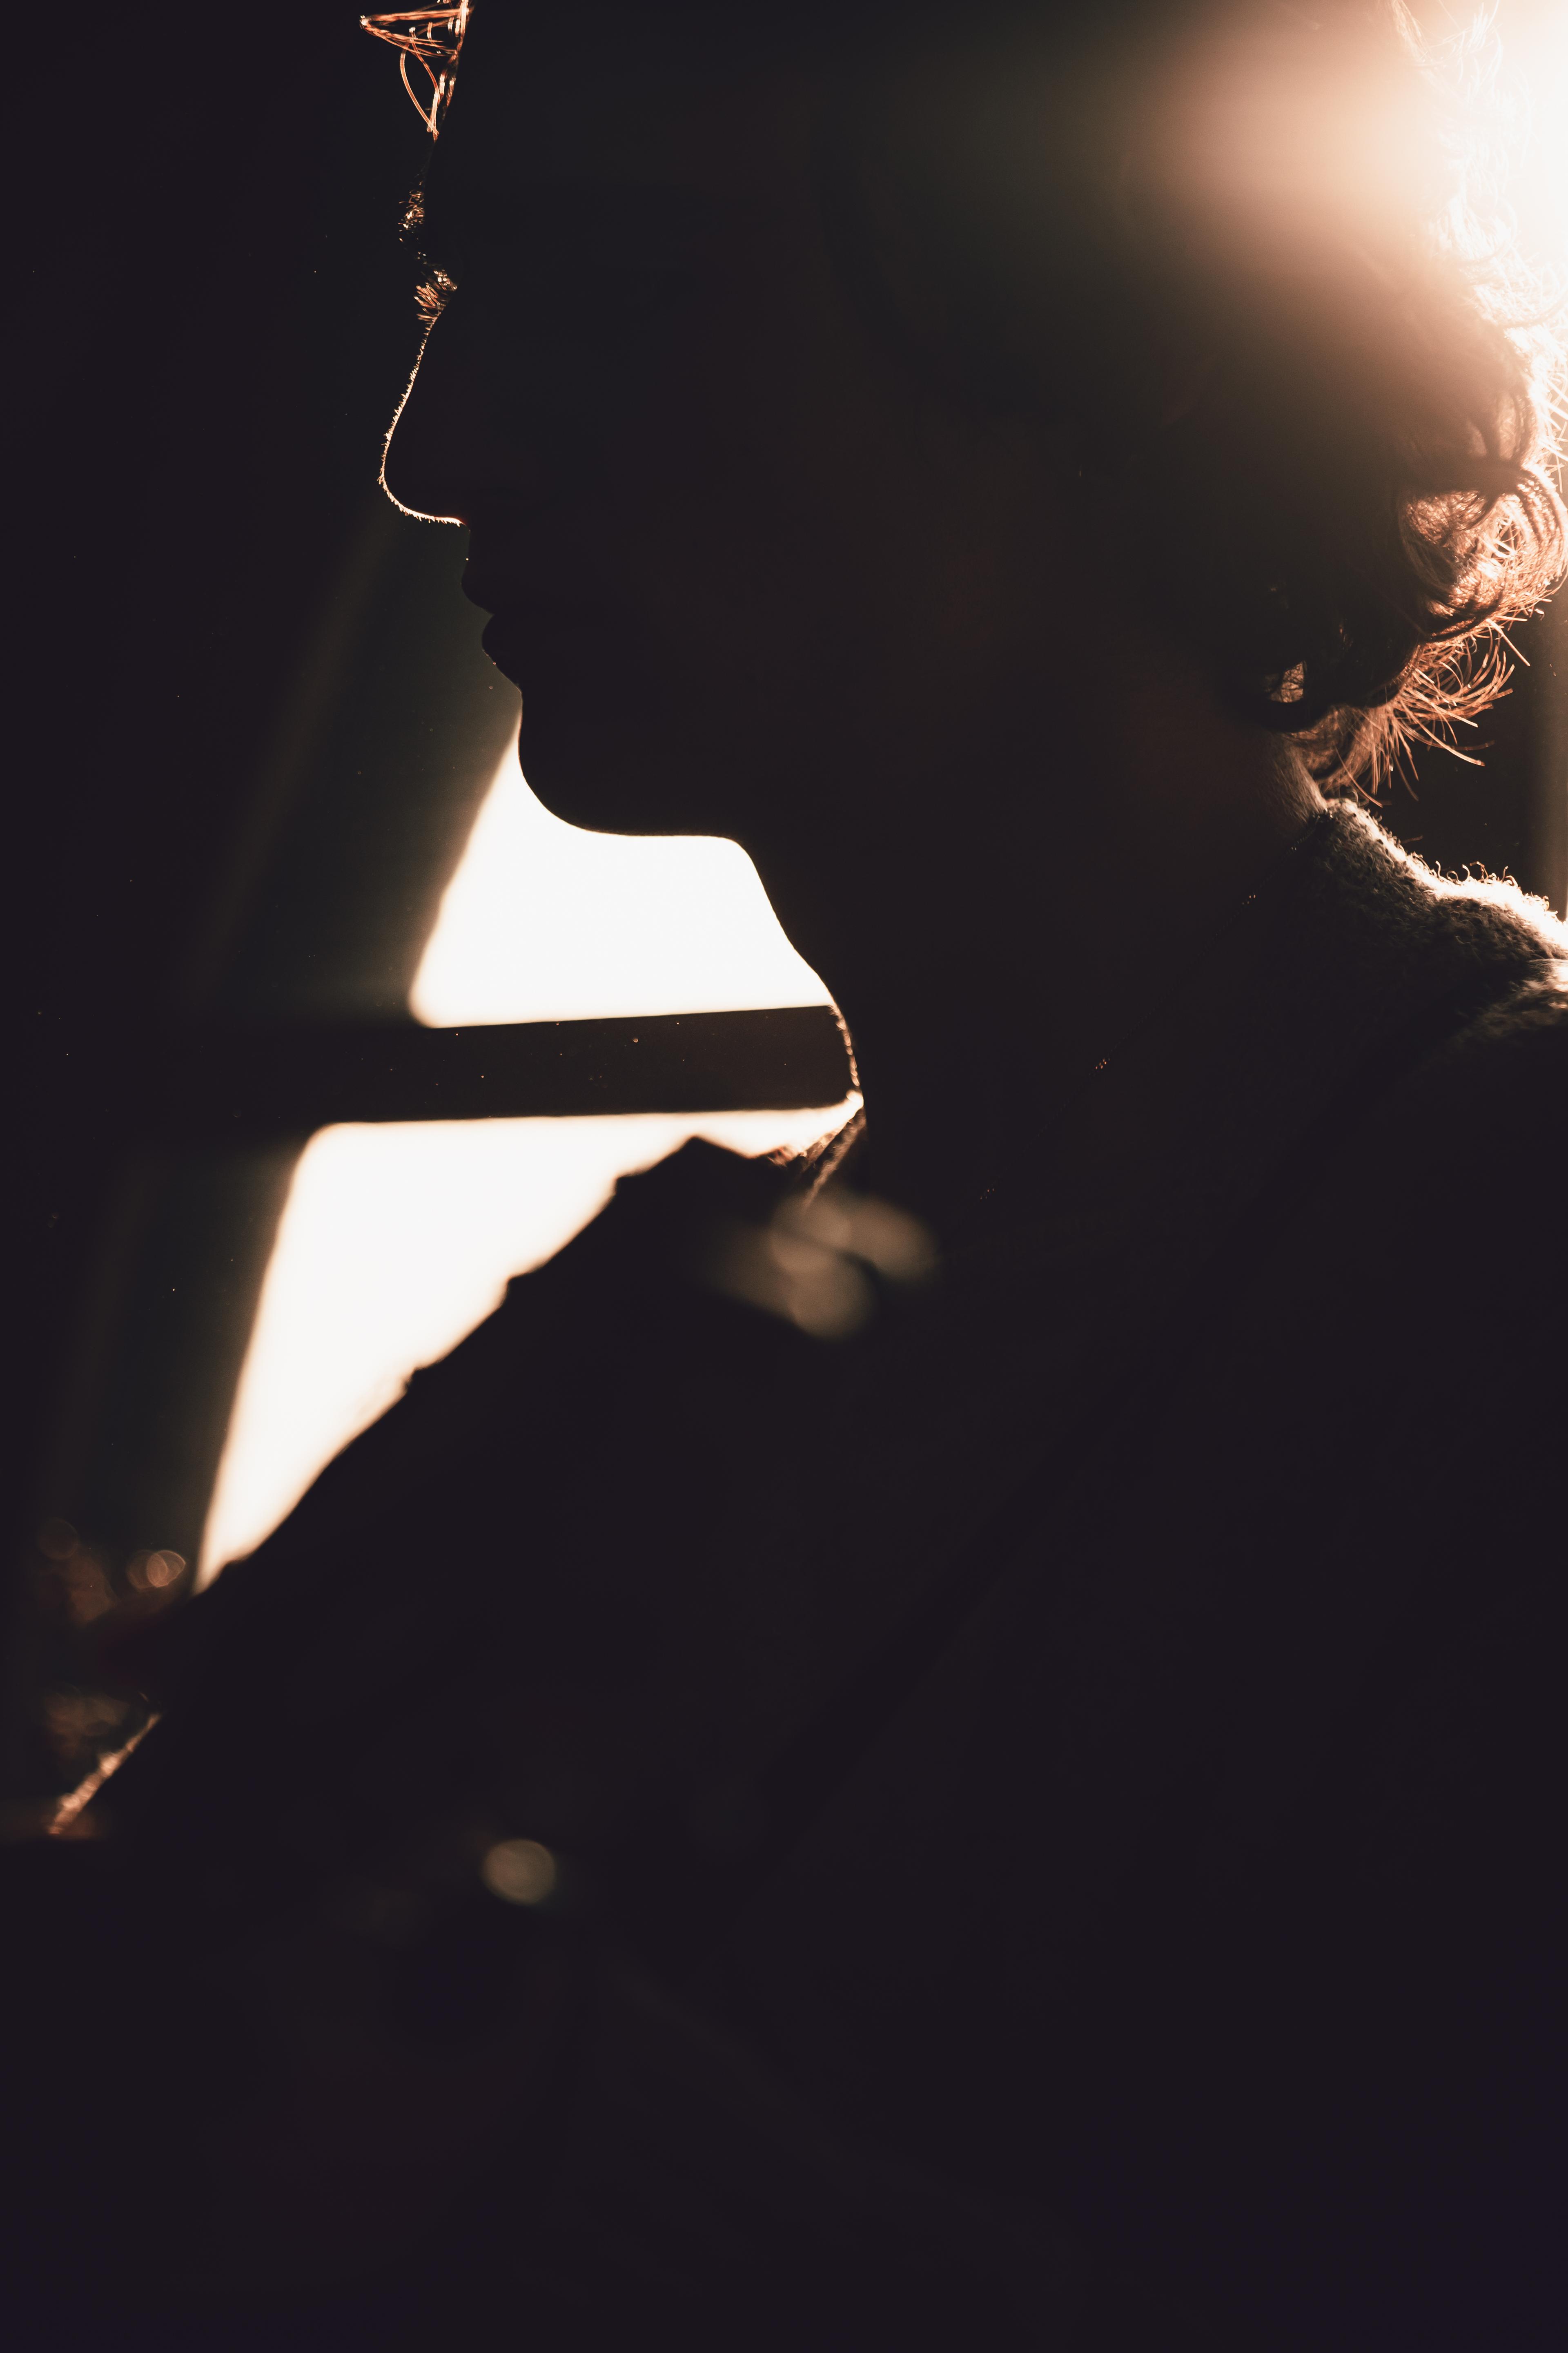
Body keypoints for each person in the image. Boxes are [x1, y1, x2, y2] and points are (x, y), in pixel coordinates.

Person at [7, 1, 1565, 2344]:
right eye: (446, 299)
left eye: (605, 285)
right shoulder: (649, 1357)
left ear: (1107, 319)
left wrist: (502, 2140)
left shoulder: (1498, 1279)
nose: (433, 451)